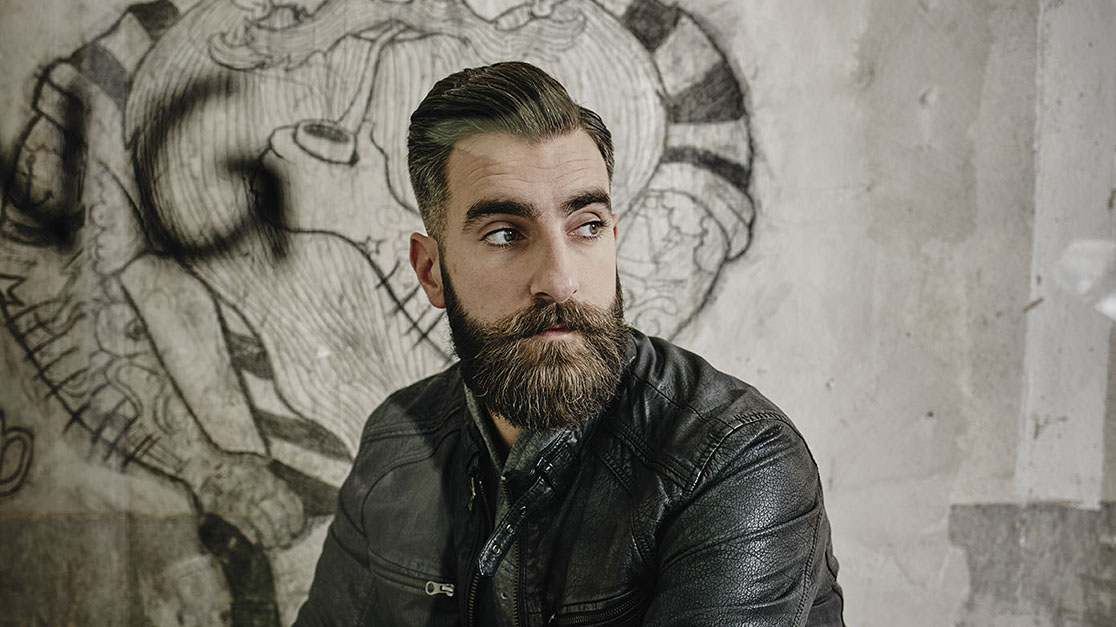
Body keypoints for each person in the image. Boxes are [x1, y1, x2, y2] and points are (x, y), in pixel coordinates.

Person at [295, 61, 844, 627]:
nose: (560, 281)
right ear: (431, 272)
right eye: (505, 233)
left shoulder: (731, 462)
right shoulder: (396, 444)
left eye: (586, 225)